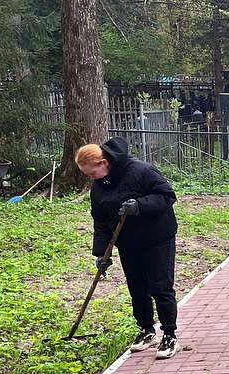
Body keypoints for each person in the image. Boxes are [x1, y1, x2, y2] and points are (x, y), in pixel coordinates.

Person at [75, 137, 181, 359]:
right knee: (137, 288)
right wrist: (101, 254)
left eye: (92, 173)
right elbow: (101, 221)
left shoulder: (140, 171)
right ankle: (146, 330)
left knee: (160, 287)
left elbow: (167, 196)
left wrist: (139, 205)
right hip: (128, 243)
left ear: (104, 162)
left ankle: (169, 335)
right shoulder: (99, 187)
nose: (91, 178)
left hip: (157, 238)